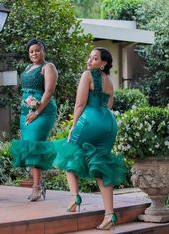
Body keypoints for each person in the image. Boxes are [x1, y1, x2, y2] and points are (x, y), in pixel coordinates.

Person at [53, 47, 126, 230]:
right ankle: (109, 214)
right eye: (90, 57)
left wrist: (73, 127)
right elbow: (109, 105)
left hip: (90, 119)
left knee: (69, 151)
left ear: (103, 64)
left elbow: (80, 103)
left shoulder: (88, 75)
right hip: (109, 123)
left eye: (94, 58)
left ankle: (74, 197)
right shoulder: (109, 81)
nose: (90, 61)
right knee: (102, 165)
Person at [10, 38, 58, 202]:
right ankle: (38, 184)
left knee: (35, 147)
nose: (34, 53)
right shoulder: (29, 68)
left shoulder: (48, 67)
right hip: (26, 112)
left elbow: (49, 91)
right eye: (31, 51)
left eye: (37, 50)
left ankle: (36, 187)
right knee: (30, 147)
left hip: (42, 112)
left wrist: (36, 112)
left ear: (43, 50)